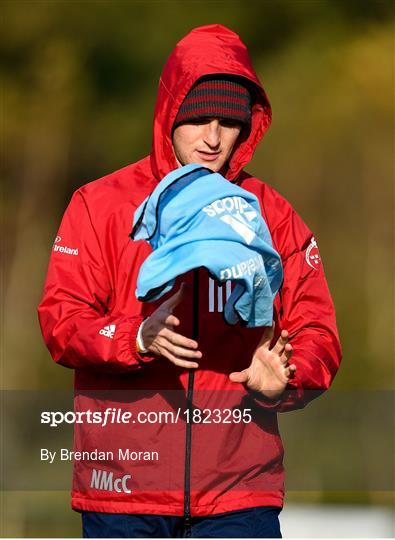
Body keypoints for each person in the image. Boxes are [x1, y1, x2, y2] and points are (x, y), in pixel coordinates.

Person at [38, 24, 341, 538]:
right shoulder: (98, 205)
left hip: (240, 497)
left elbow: (320, 333)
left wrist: (286, 379)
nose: (213, 137)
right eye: (199, 119)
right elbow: (61, 322)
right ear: (169, 115)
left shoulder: (274, 215)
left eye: (229, 122)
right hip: (122, 494)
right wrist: (134, 337)